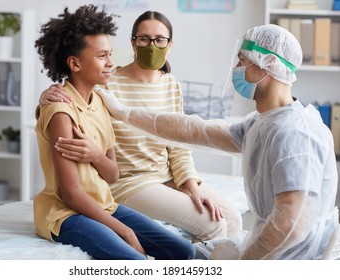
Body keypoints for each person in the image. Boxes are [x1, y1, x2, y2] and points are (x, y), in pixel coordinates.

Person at [93, 24, 339, 260]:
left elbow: (290, 225)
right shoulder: (263, 122)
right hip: (276, 253)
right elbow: (195, 130)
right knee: (190, 254)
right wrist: (125, 113)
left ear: (269, 65)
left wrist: (244, 262)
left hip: (290, 260)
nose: (237, 67)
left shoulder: (293, 133)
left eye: (243, 60)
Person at [38, 10, 242, 243]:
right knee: (213, 225)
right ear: (133, 43)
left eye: (159, 40)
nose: (151, 46)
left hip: (166, 177)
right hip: (129, 182)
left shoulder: (171, 85)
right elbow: (75, 97)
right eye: (144, 39)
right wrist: (47, 94)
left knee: (233, 219)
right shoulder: (106, 82)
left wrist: (190, 185)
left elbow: (179, 145)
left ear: (170, 45)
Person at [33, 4, 195, 260]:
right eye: (102, 57)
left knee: (185, 251)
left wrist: (96, 156)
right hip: (66, 214)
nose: (111, 63)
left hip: (103, 204)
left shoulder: (101, 101)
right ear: (74, 63)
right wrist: (126, 232)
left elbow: (112, 175)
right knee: (135, 262)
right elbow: (70, 194)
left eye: (110, 55)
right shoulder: (61, 113)